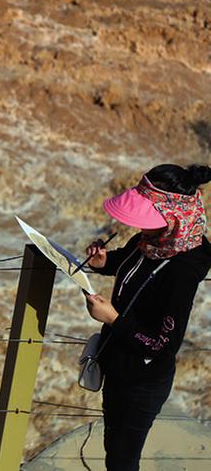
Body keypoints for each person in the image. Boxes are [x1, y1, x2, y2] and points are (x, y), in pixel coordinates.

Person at [83, 164, 211, 471]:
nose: (141, 228)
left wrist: (113, 319)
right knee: (113, 448)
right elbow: (131, 263)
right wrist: (104, 262)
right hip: (118, 363)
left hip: (142, 381)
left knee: (122, 460)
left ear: (174, 218)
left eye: (147, 220)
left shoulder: (182, 271)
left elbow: (163, 345)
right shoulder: (154, 240)